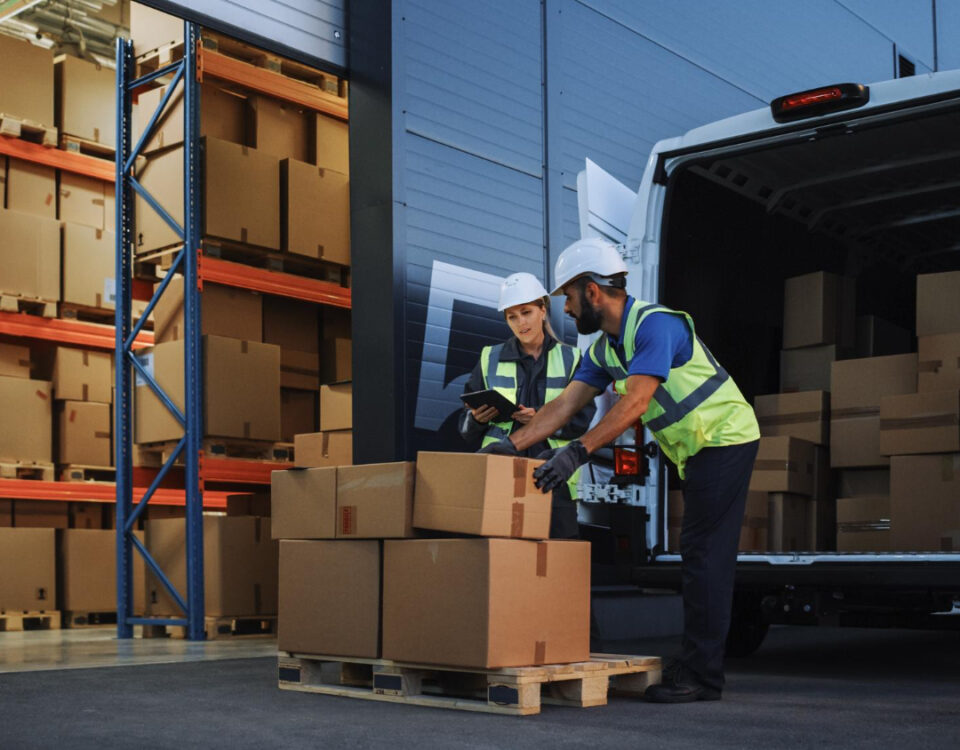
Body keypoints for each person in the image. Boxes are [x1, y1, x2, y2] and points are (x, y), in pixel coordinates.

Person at [481, 237, 760, 703]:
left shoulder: (656, 325)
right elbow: (565, 404)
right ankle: (698, 663)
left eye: (567, 297)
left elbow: (638, 401)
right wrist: (508, 448)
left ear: (592, 292)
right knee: (700, 554)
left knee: (703, 556)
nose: (565, 310)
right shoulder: (606, 349)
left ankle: (702, 677)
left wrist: (577, 451)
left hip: (726, 438)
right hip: (697, 448)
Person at [460, 272, 595, 539]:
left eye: (526, 312)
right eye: (512, 316)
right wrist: (476, 419)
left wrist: (542, 421)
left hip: (554, 477)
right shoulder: (490, 358)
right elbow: (465, 428)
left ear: (543, 310)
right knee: (503, 560)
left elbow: (582, 419)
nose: (521, 322)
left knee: (558, 559)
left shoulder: (572, 358)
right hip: (501, 475)